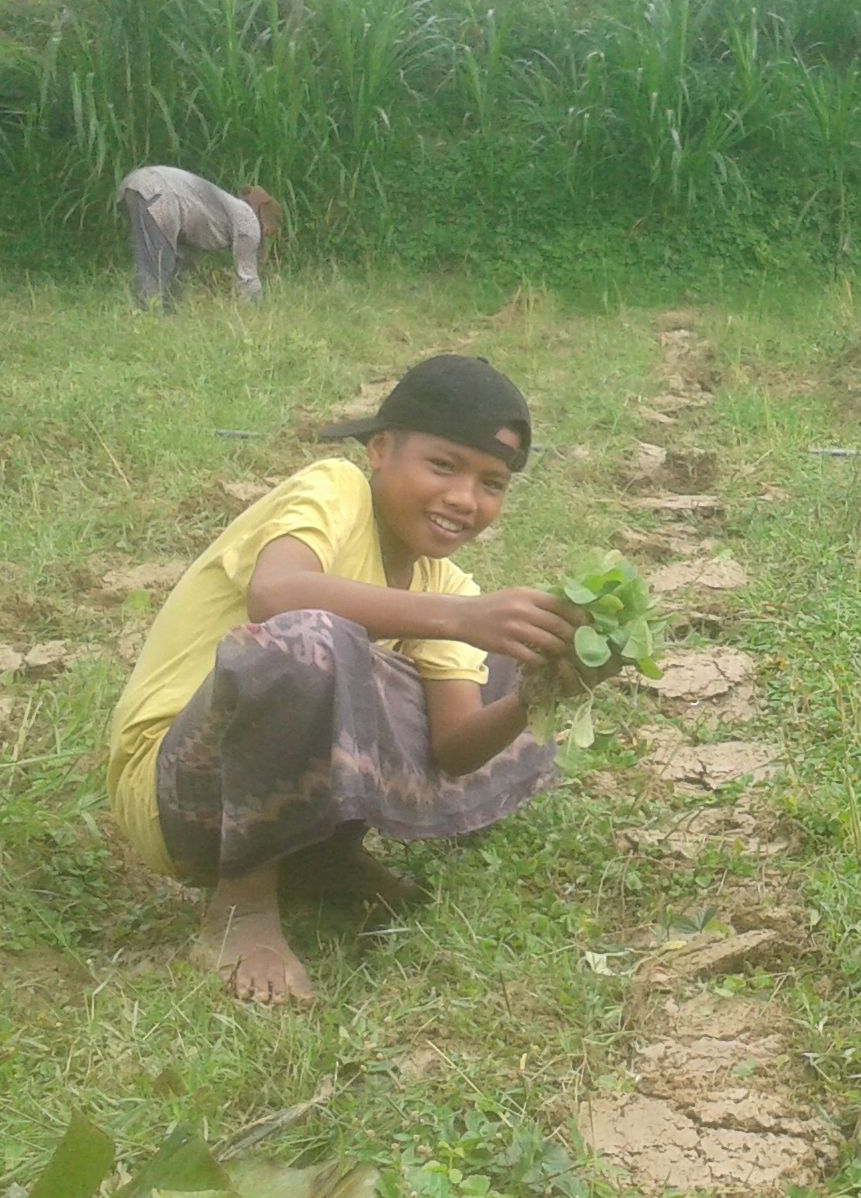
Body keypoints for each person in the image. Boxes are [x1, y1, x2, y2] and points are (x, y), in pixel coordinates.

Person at [105, 354, 596, 1006]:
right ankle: (242, 907)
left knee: (507, 664)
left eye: (492, 483)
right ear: (381, 451)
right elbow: (275, 595)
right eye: (443, 465)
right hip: (181, 792)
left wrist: (541, 690)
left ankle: (322, 861)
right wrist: (462, 618)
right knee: (310, 642)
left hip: (261, 788)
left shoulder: (445, 583)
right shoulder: (335, 489)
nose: (464, 499)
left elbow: (453, 749)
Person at [117, 166, 283, 306]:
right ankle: (147, 316)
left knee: (171, 266)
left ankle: (167, 315)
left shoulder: (228, 208)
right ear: (267, 228)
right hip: (161, 193)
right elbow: (247, 277)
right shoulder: (248, 219)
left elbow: (184, 257)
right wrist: (258, 308)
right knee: (156, 266)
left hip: (137, 184)